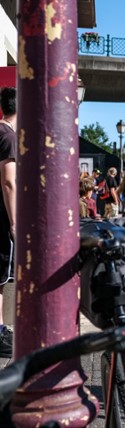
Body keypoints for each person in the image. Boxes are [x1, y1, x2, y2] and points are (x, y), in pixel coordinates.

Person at [0, 87, 16, 358]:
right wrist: (15, 221)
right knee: (1, 277)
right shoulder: (8, 136)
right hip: (2, 216)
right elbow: (9, 181)